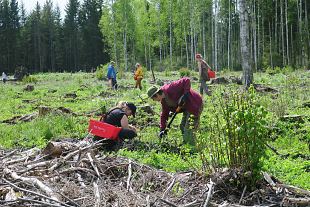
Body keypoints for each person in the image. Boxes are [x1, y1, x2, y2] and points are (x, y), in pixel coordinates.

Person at [147, 77, 203, 144]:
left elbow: (186, 80)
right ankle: (186, 144)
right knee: (182, 127)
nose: (154, 101)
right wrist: (163, 129)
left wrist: (185, 95)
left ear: (156, 95)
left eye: (153, 99)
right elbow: (164, 115)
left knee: (189, 130)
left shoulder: (171, 88)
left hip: (195, 104)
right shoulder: (164, 101)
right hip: (186, 108)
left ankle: (192, 149)